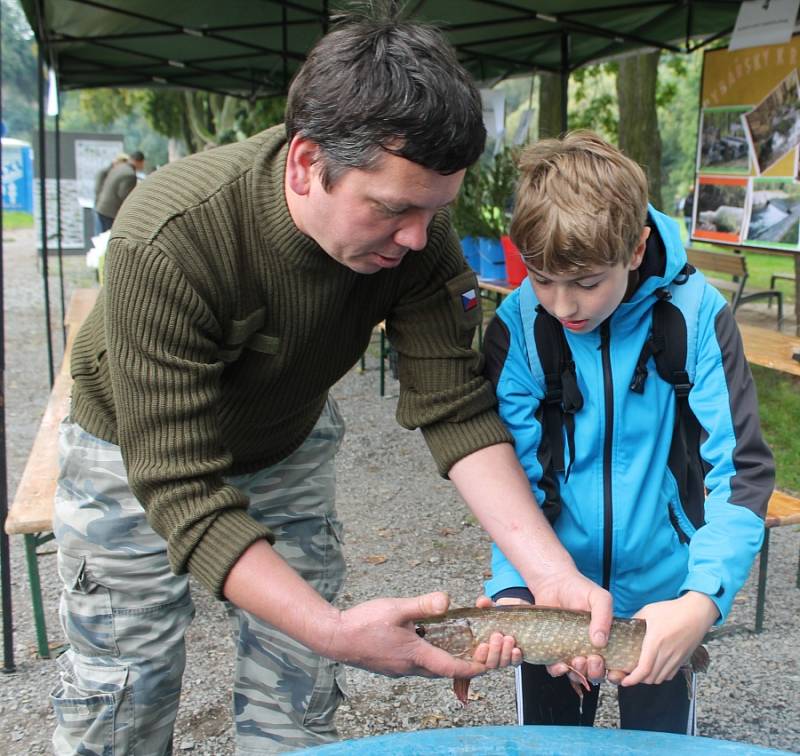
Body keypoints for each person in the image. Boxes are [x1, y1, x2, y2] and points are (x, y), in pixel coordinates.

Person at [50, 11, 614, 756]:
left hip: (285, 440)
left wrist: (551, 572)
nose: (417, 238)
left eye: (433, 209)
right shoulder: (171, 237)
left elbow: (455, 409)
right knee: (124, 689)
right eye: (392, 209)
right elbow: (182, 486)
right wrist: (338, 630)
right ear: (304, 162)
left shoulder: (419, 239)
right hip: (131, 454)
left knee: (298, 689)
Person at [481, 131, 774, 734]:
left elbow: (741, 472)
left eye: (587, 282)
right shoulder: (518, 327)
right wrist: (516, 588)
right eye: (541, 279)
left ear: (636, 248)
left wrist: (702, 599)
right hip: (552, 594)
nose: (563, 306)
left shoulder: (697, 316)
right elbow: (508, 473)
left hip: (666, 596)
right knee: (550, 748)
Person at [94, 149, 145, 231]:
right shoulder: (129, 174)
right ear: (140, 162)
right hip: (111, 212)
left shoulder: (119, 167)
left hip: (103, 208)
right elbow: (125, 196)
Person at [92, 153, 128, 235]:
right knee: (101, 233)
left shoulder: (117, 172)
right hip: (101, 207)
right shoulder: (104, 172)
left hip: (107, 208)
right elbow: (98, 189)